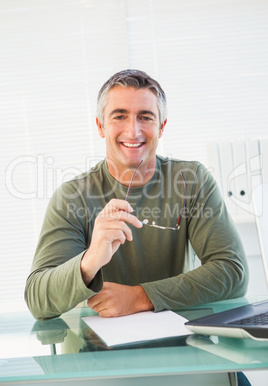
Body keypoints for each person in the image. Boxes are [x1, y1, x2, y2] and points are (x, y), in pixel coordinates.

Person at [25, 69, 249, 321]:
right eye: (119, 116)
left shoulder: (191, 181)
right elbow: (37, 300)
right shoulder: (72, 197)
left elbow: (233, 273)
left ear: (162, 127)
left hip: (177, 340)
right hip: (97, 349)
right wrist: (89, 260)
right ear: (100, 126)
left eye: (145, 117)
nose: (133, 131)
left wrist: (141, 297)